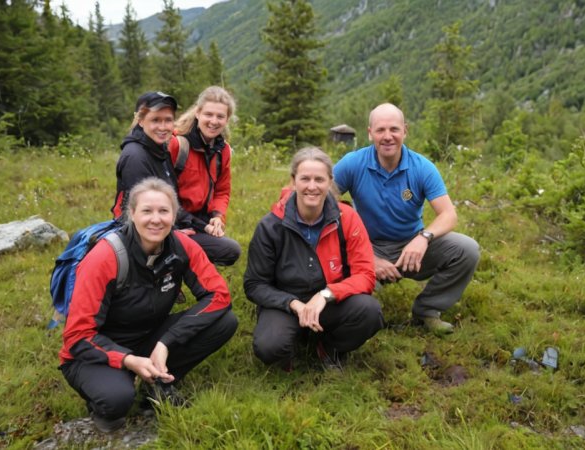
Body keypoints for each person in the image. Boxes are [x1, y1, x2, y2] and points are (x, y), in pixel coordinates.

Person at [60, 178, 238, 432]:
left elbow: (219, 296)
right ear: (131, 214)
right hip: (95, 348)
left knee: (225, 321)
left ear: (175, 215)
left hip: (148, 336)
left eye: (164, 211)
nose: (156, 219)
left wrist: (165, 343)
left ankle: (157, 383)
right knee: (117, 402)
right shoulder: (105, 257)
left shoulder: (182, 245)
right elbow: (77, 337)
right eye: (147, 211)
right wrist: (128, 360)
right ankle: (113, 388)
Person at [333, 103, 480, 334]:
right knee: (335, 267)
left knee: (467, 249)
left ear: (405, 131)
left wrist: (423, 238)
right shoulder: (352, 163)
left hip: (410, 248)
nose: (388, 136)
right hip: (366, 246)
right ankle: (364, 310)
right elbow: (320, 202)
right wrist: (367, 257)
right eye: (381, 130)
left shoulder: (422, 167)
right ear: (370, 133)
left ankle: (426, 311)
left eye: (394, 129)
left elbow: (449, 215)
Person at [244, 147, 383, 370]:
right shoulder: (270, 225)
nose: (312, 186)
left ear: (330, 181)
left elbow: (366, 275)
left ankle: (329, 345)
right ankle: (295, 339)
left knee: (370, 312)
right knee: (269, 347)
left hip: (331, 303)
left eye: (319, 179)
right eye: (305, 178)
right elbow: (254, 284)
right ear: (293, 181)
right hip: (285, 304)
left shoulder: (347, 218)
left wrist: (326, 294)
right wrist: (294, 305)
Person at [167, 86, 241, 266]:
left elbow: (222, 191)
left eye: (220, 116)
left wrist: (217, 217)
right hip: (169, 222)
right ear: (198, 113)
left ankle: (179, 265)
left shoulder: (222, 151)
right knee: (179, 246)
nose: (213, 121)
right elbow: (162, 196)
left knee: (231, 250)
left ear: (227, 119)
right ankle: (169, 271)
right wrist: (201, 226)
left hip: (199, 223)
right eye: (209, 114)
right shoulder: (177, 144)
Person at [111, 91, 179, 219]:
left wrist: (199, 224)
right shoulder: (135, 157)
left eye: (168, 120)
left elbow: (171, 201)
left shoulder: (160, 148)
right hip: (143, 233)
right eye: (155, 120)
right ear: (141, 121)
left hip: (166, 223)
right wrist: (177, 233)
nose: (163, 127)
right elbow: (143, 215)